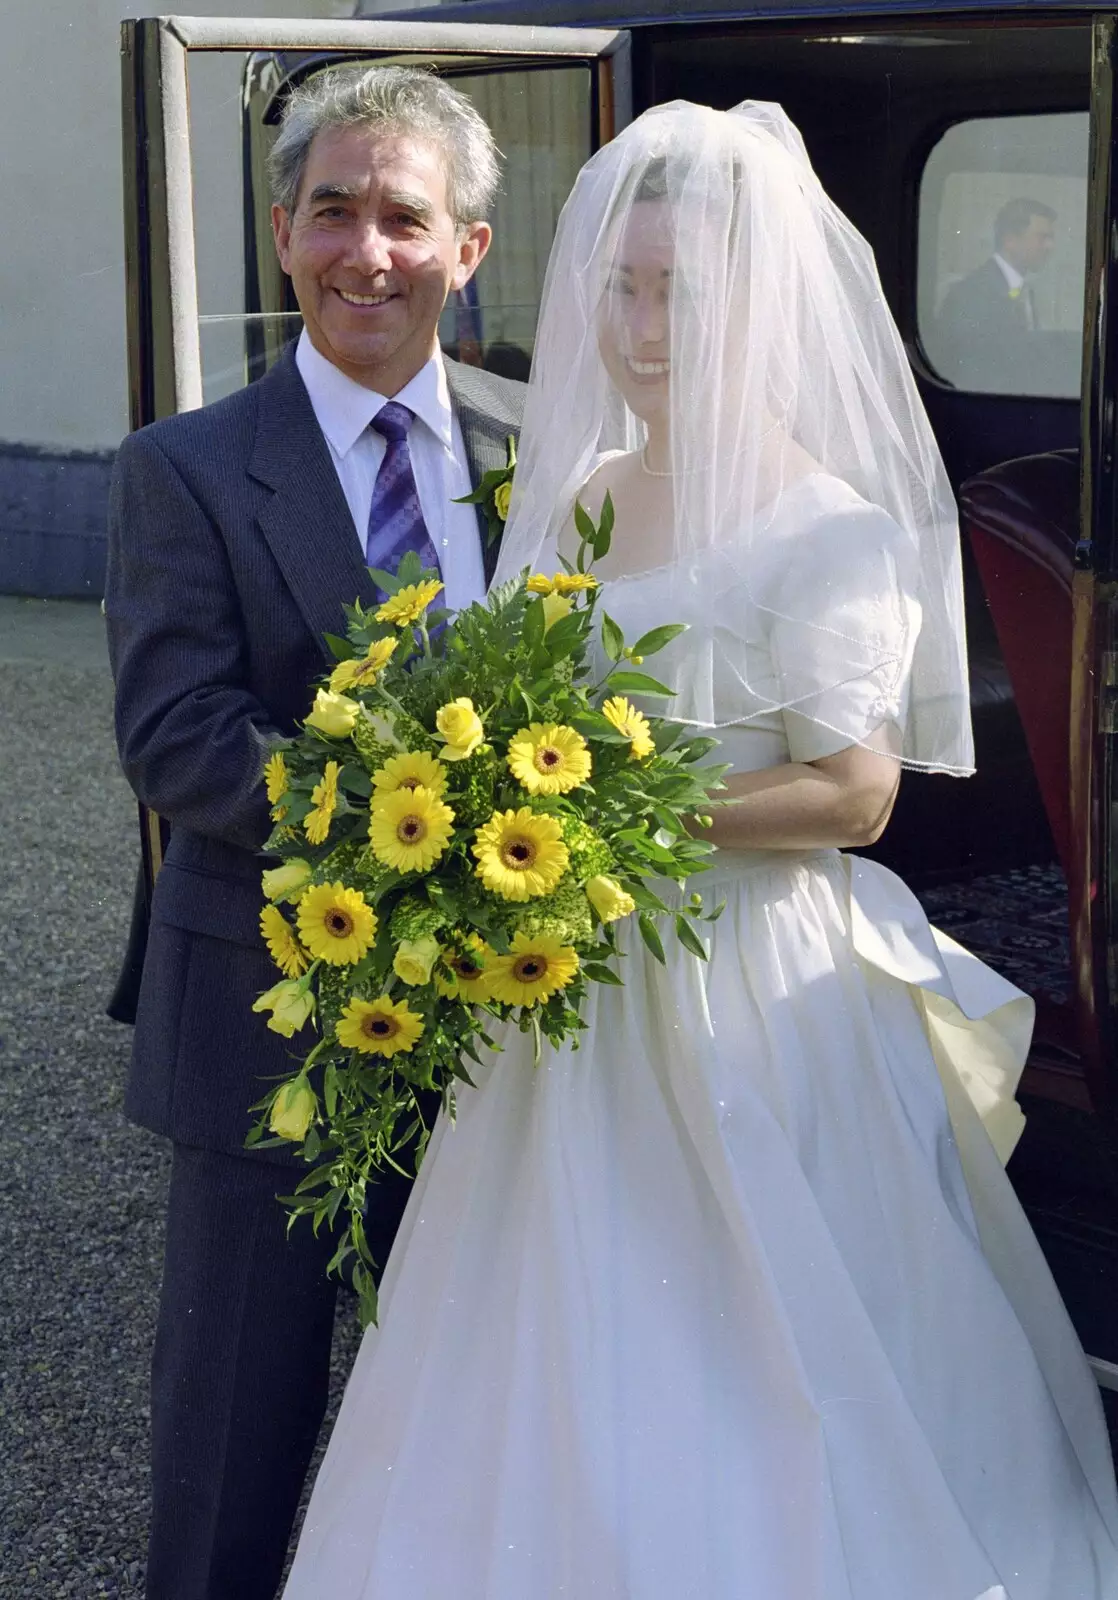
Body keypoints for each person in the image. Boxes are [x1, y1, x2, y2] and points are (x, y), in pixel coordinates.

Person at [281, 103, 1118, 1598]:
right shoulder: (580, 495)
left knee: (773, 1323)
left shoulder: (832, 527)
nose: (645, 323)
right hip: (570, 980)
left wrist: (607, 821)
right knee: (542, 1313)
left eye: (683, 291)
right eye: (623, 286)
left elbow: (856, 795)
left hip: (744, 973)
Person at [104, 64, 526, 1600]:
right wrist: (424, 821)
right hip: (271, 1024)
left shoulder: (540, 450)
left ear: (466, 248)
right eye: (331, 211)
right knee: (237, 1427)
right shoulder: (185, 469)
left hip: (509, 1031)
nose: (367, 253)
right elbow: (179, 740)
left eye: (403, 218)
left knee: (478, 1404)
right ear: (281, 233)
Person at [933, 196, 1056, 392]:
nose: (1050, 247)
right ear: (1010, 240)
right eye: (1042, 237)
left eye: (1051, 238)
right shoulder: (970, 295)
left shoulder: (1025, 292)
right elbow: (973, 371)